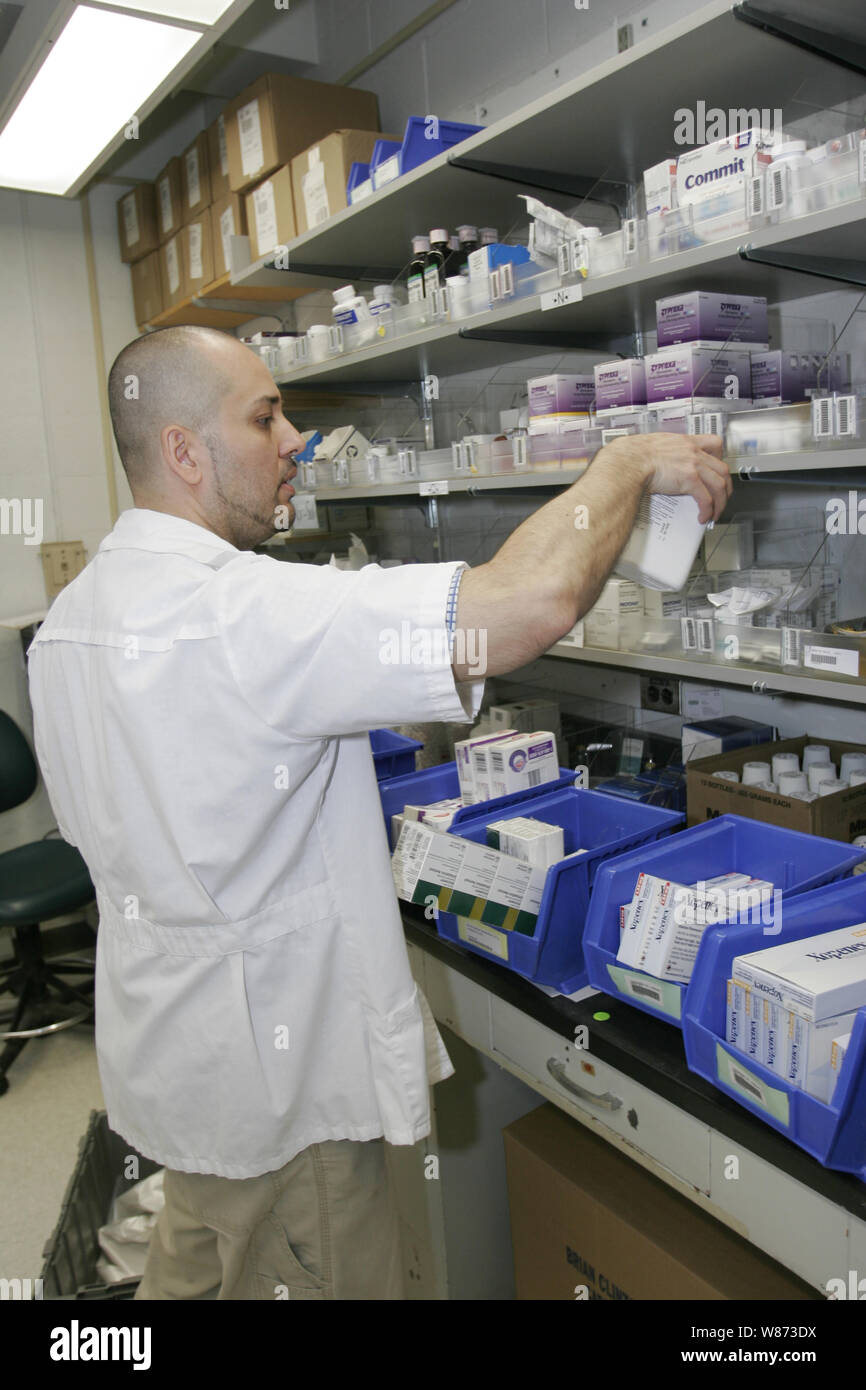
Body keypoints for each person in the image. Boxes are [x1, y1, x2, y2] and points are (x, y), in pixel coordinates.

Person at [26, 326, 730, 1300]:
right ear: (184, 449)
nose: (295, 440)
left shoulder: (70, 623)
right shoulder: (244, 613)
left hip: (179, 1068)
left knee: (196, 1263)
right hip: (287, 1099)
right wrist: (625, 460)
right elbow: (526, 602)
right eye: (264, 416)